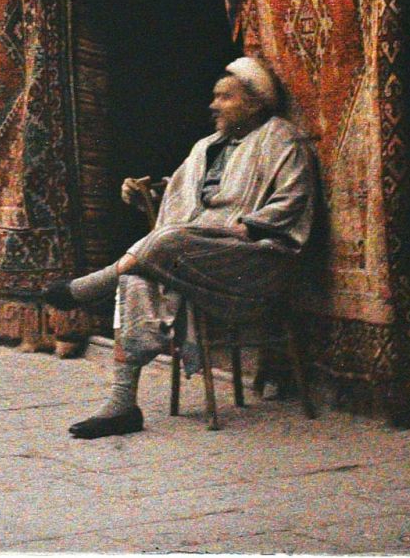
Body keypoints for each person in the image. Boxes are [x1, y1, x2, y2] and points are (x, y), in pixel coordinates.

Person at [43, 55, 319, 438]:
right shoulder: (206, 146)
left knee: (167, 242)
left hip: (253, 257)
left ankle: (87, 287)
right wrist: (143, 195)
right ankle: (123, 405)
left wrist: (247, 226)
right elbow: (183, 197)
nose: (213, 105)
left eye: (225, 97)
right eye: (215, 97)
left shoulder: (280, 138)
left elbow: (294, 199)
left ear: (255, 103)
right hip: (194, 252)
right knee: (135, 280)